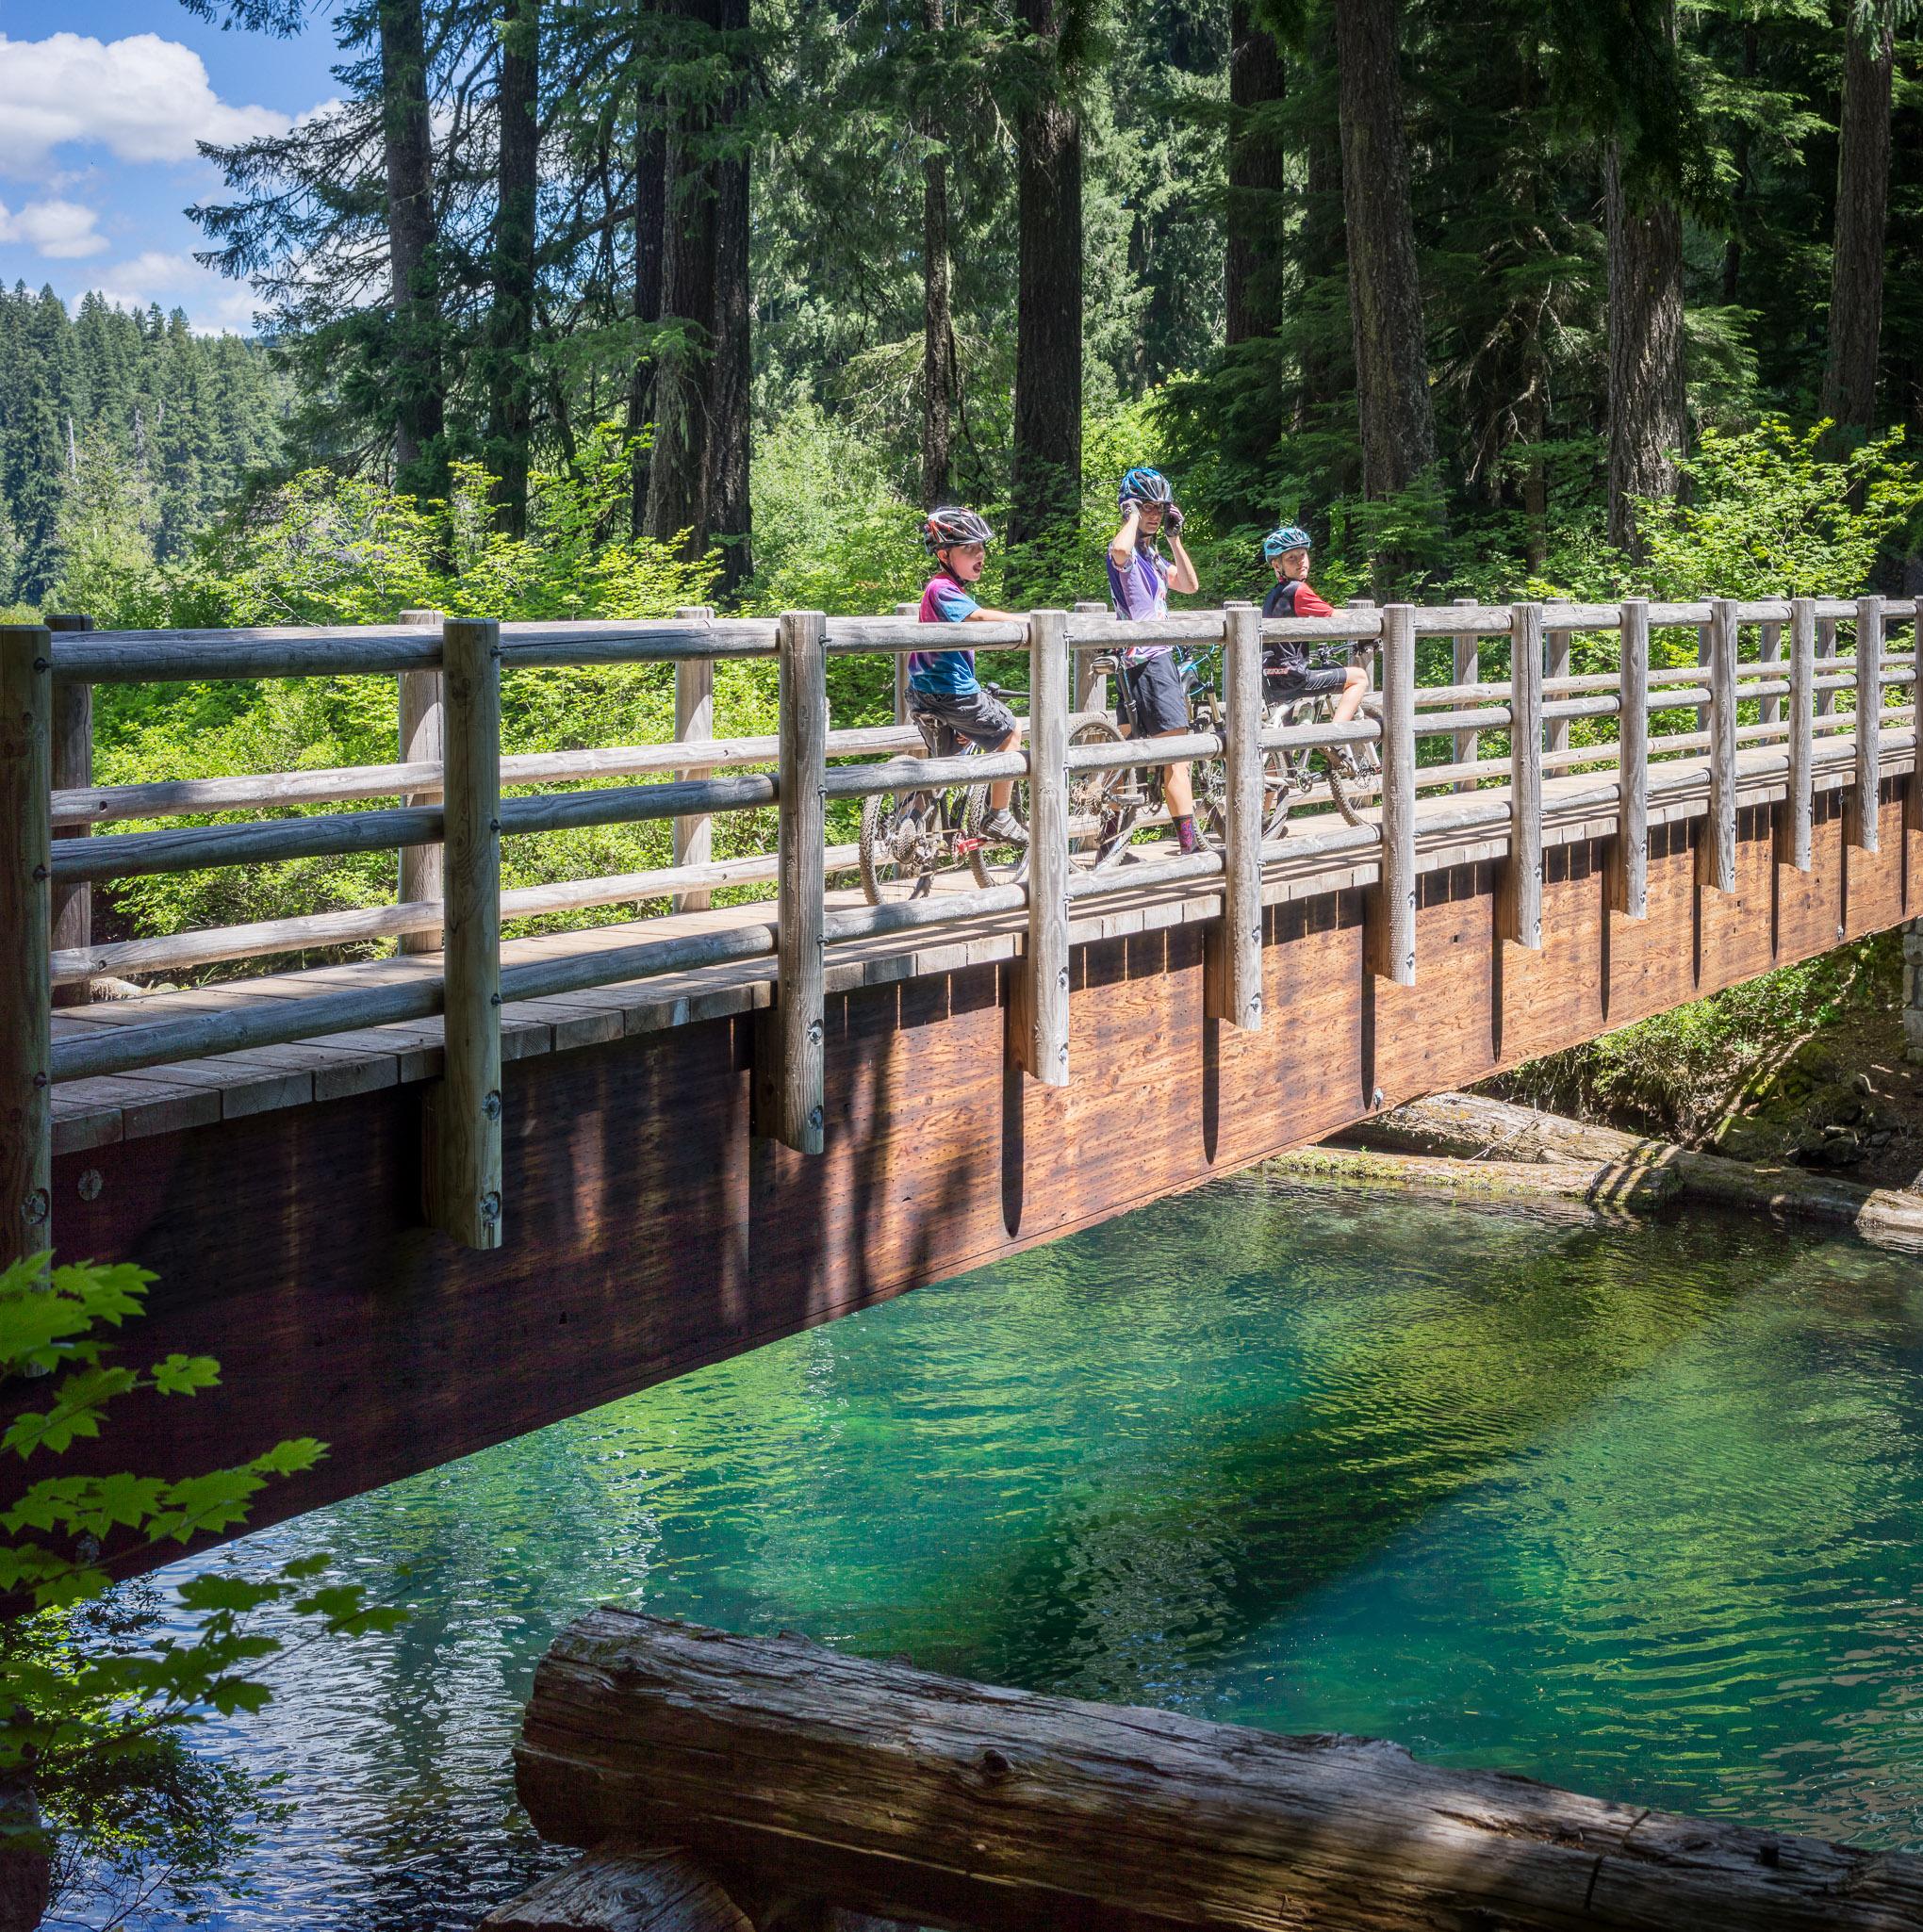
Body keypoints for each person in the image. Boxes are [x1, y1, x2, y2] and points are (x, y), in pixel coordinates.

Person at [908, 506, 1027, 844]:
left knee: (944, 767)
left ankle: (909, 823)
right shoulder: (941, 588)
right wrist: (1024, 623)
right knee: (1010, 730)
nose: (980, 555)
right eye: (969, 549)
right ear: (944, 555)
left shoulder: (946, 589)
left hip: (927, 692)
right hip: (952, 692)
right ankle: (999, 817)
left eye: (981, 547)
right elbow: (974, 618)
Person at [1107, 467, 1204, 853]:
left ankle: (1107, 846)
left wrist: (1175, 538)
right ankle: (1191, 847)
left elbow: (1190, 585)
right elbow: (1119, 550)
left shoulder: (1152, 554)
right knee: (1177, 757)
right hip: (1149, 660)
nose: (1153, 514)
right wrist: (1130, 516)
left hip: (1139, 664)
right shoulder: (1126, 553)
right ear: (1130, 508)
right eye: (1146, 507)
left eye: (1159, 508)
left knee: (1125, 758)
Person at [1259, 525, 1368, 743]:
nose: (1301, 561)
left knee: (1280, 744)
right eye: (1292, 558)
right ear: (1276, 565)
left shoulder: (1273, 596)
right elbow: (1335, 617)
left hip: (1270, 678)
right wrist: (1371, 630)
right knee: (1359, 678)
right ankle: (1333, 738)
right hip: (1294, 678)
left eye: (1303, 555)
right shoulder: (1298, 590)